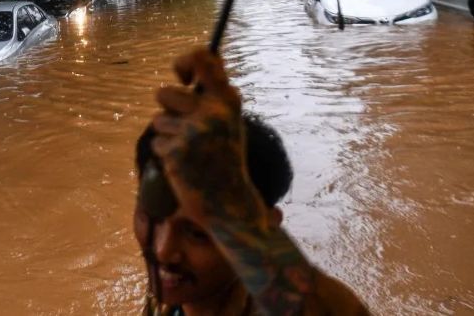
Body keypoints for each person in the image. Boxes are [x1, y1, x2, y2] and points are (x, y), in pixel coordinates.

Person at [135, 48, 369, 315]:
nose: (163, 250)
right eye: (151, 215)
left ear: (265, 223)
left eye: (199, 233)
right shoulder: (170, 297)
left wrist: (233, 209)